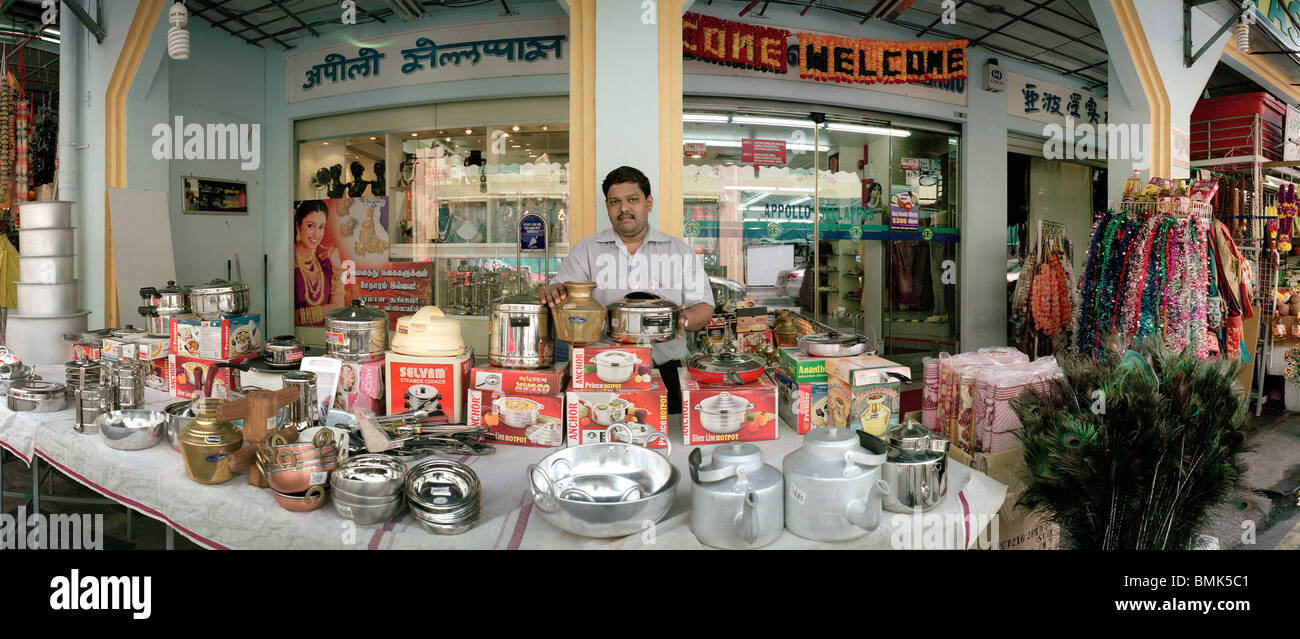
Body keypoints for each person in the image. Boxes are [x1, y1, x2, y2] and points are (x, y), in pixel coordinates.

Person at [540, 166, 715, 412]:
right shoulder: (585, 252)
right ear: (607, 206)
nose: (624, 209)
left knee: (667, 444)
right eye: (615, 202)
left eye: (633, 200)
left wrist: (681, 320)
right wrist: (555, 292)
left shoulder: (679, 252)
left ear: (648, 202)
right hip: (599, 372)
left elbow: (705, 306)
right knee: (598, 437)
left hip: (664, 372)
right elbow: (565, 300)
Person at [294, 200, 345, 325]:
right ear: (298, 226)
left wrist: (337, 267)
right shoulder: (287, 261)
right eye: (310, 226)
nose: (317, 234)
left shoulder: (324, 260)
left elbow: (339, 310)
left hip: (324, 336)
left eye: (321, 227)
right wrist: (325, 311)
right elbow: (283, 315)